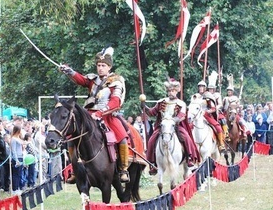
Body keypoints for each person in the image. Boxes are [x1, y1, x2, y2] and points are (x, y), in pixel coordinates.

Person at [60, 46, 130, 183]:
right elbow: (81, 80)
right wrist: (70, 71)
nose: (100, 68)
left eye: (103, 65)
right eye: (98, 65)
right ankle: (74, 169)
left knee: (122, 136)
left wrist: (100, 113)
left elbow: (116, 101)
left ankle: (123, 169)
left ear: (109, 67)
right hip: (88, 114)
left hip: (108, 115)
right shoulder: (94, 79)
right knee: (71, 136)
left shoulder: (116, 81)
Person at [142, 78, 201, 175]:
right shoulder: (162, 102)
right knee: (151, 140)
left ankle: (189, 159)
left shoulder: (181, 103)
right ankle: (153, 163)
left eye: (172, 91)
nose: (170, 93)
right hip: (163, 127)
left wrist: (172, 121)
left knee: (186, 138)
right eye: (169, 91)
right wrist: (144, 106)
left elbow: (182, 116)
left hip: (176, 126)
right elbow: (152, 112)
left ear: (176, 91)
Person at [10, 125, 24, 195]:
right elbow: (14, 150)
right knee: (15, 174)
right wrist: (16, 160)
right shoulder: (13, 139)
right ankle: (14, 188)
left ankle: (18, 187)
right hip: (16, 158)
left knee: (19, 174)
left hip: (21, 156)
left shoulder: (18, 138)